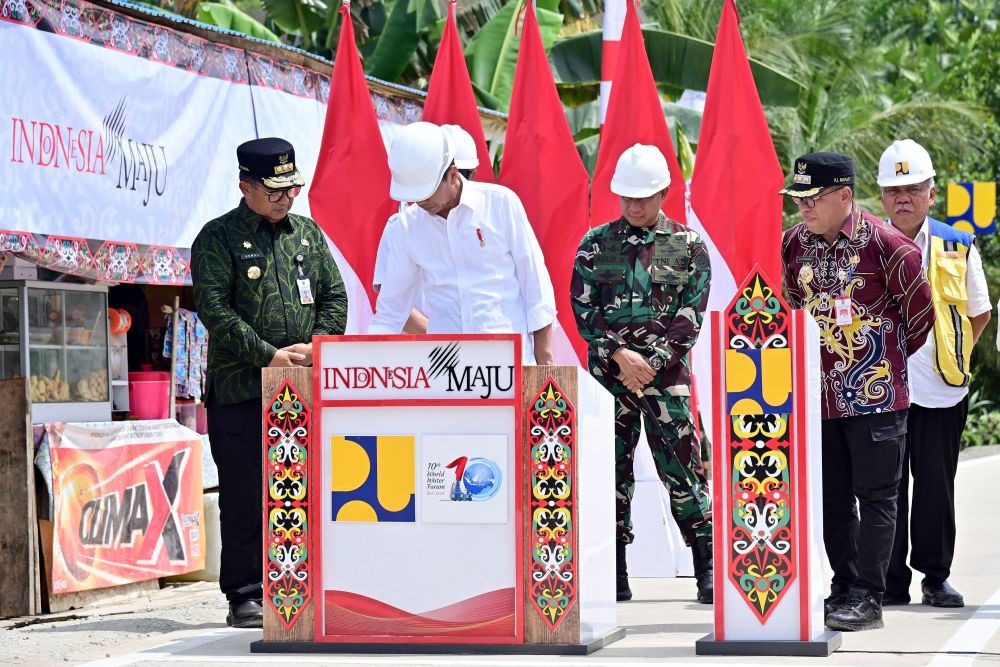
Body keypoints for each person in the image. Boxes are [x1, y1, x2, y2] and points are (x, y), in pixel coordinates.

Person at [191, 137, 347, 628]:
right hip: (240, 391)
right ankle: (244, 594)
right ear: (245, 186)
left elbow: (335, 297)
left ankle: (300, 583)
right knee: (244, 494)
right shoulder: (218, 237)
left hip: (300, 389)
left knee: (304, 490)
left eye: (292, 187)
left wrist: (317, 345)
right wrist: (268, 356)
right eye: (275, 189)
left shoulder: (308, 236)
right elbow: (214, 308)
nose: (286, 197)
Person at [780, 152, 934, 632]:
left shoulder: (888, 247)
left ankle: (870, 595)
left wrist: (877, 361)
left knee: (878, 496)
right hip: (817, 399)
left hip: (875, 396)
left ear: (845, 196)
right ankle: (843, 586)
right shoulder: (793, 245)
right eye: (798, 198)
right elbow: (792, 309)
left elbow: (920, 319)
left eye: (814, 197)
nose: (803, 207)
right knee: (831, 497)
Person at [571, 144, 713, 604]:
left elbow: (690, 314)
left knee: (683, 470)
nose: (634, 206)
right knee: (607, 473)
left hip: (665, 380)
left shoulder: (685, 244)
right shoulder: (597, 243)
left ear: (664, 193)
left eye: (643, 197)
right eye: (626, 197)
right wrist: (619, 356)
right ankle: (612, 570)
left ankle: (705, 566)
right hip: (607, 381)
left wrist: (649, 362)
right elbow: (584, 310)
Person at [878, 140, 992, 608]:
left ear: (931, 193)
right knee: (883, 489)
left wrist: (954, 357)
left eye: (913, 188)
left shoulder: (957, 245)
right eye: (893, 190)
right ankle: (887, 581)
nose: (903, 198)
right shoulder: (864, 246)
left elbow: (978, 312)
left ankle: (935, 577)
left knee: (935, 487)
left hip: (942, 389)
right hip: (880, 390)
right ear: (881, 196)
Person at [369, 122, 556, 364]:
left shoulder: (500, 204)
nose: (421, 202)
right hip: (446, 370)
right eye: (414, 195)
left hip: (510, 363)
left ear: (453, 174)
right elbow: (389, 314)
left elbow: (536, 289)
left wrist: (546, 364)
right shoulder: (407, 227)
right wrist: (363, 363)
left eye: (426, 192)